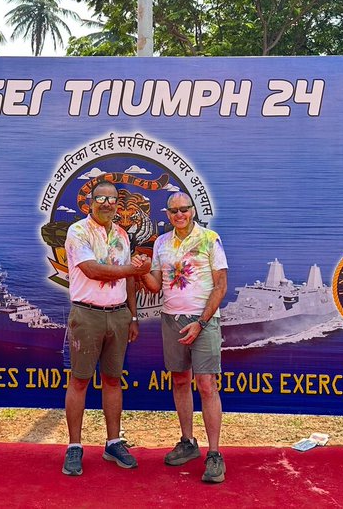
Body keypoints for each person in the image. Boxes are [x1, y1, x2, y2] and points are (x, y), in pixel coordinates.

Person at [61, 180, 149, 476]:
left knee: (113, 379)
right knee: (80, 381)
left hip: (119, 315)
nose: (107, 204)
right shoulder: (78, 231)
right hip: (87, 315)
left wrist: (132, 317)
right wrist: (133, 269)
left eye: (112, 199)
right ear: (90, 202)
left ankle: (113, 443)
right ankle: (75, 446)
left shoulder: (122, 234)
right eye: (101, 198)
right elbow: (92, 270)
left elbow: (130, 280)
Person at [139, 192, 228, 484]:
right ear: (167, 214)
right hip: (171, 319)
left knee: (206, 384)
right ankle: (188, 442)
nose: (179, 214)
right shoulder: (161, 243)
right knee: (179, 380)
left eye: (184, 209)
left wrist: (200, 323)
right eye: (174, 210)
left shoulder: (210, 239)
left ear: (193, 211)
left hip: (204, 320)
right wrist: (141, 272)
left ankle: (214, 454)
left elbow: (220, 286)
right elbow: (155, 285)